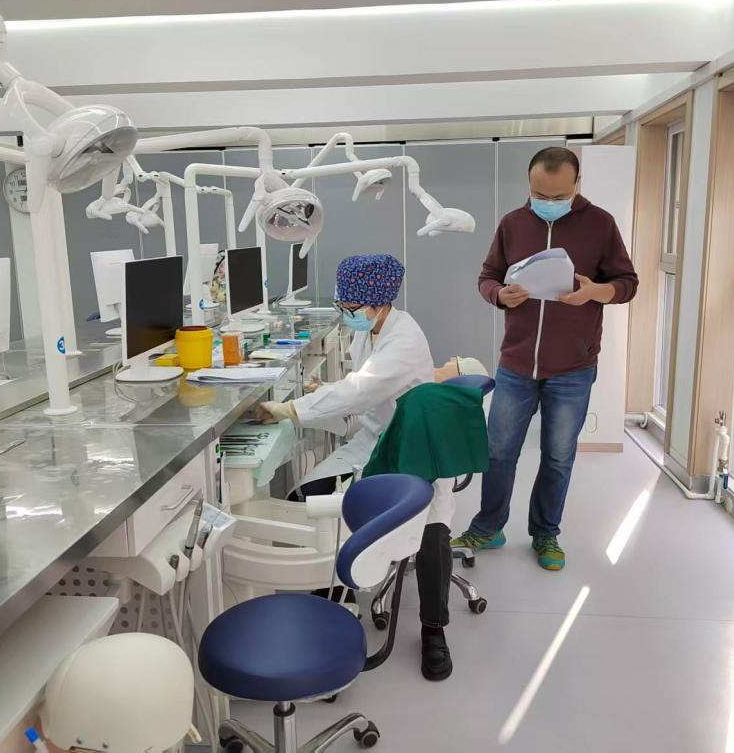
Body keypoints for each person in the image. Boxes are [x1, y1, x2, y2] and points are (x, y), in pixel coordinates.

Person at [257, 254, 457, 681]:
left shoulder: (404, 340)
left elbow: (361, 389)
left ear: (379, 303)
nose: (346, 314)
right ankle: (333, 602)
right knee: (306, 498)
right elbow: (359, 392)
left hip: (416, 453)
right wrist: (323, 392)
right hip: (373, 441)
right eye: (342, 306)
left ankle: (433, 631)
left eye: (350, 308)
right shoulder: (369, 332)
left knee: (432, 534)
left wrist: (294, 408)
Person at [451, 147, 638, 571]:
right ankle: (488, 527)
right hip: (517, 364)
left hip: (573, 367)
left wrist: (595, 292)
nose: (548, 202)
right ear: (529, 184)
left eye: (558, 196)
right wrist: (500, 295)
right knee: (498, 452)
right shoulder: (512, 224)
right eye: (540, 194)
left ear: (577, 185)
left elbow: (628, 282)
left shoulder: (601, 224)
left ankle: (546, 533)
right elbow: (487, 277)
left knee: (557, 456)